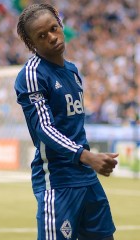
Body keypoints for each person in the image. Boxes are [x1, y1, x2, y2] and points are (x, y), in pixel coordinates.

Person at [14, 3, 118, 240]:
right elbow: (44, 128)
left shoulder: (72, 71)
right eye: (42, 36)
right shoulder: (32, 75)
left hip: (87, 179)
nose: (51, 37)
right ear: (32, 44)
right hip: (58, 182)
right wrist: (87, 156)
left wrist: (87, 160)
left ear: (61, 26)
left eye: (53, 29)